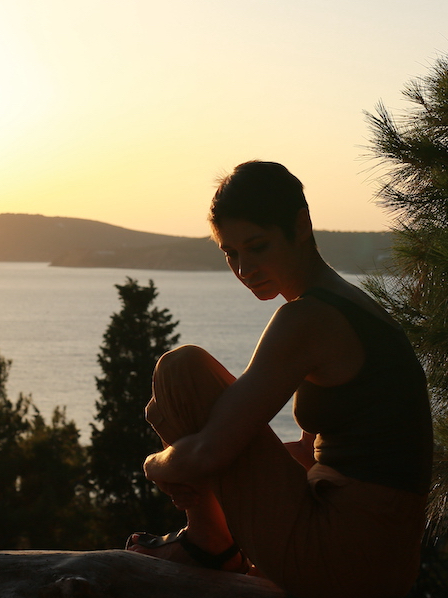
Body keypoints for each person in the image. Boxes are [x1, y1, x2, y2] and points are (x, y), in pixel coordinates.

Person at [126, 161, 432, 598]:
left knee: (182, 371)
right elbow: (309, 452)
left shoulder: (307, 318)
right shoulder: (346, 305)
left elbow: (210, 453)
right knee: (193, 411)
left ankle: (208, 543)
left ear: (301, 225)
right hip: (377, 559)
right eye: (231, 253)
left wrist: (157, 465)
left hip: (344, 560)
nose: (244, 267)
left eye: (257, 246)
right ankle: (209, 539)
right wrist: (209, 463)